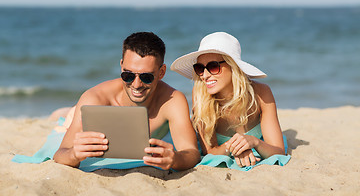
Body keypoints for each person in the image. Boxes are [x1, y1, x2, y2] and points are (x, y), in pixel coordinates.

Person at [53, 32, 200, 171]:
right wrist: (73, 154)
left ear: (161, 72)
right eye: (128, 75)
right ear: (121, 65)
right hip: (79, 112)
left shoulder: (172, 100)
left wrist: (175, 159)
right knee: (65, 119)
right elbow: (60, 153)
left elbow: (191, 152)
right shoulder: (95, 98)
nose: (136, 85)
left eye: (146, 77)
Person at [171, 32, 285, 168]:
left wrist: (254, 142)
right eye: (200, 68)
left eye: (213, 67)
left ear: (233, 66)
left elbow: (278, 151)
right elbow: (210, 152)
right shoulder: (200, 94)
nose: (205, 76)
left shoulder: (261, 93)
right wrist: (237, 147)